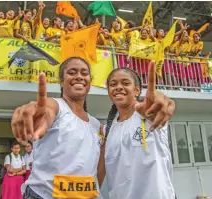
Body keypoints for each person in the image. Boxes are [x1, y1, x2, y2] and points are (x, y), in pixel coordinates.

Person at [11, 57, 175, 199]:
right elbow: (48, 108)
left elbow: (98, 172)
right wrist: (35, 113)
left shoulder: (100, 127)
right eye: (72, 72)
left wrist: (160, 103)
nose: (79, 77)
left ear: (90, 81)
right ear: (61, 81)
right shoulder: (57, 107)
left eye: (84, 73)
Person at [98, 61, 175, 199]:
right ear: (109, 92)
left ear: (137, 90)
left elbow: (158, 108)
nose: (118, 87)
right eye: (113, 84)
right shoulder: (107, 130)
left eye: (125, 83)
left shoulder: (150, 116)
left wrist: (159, 102)